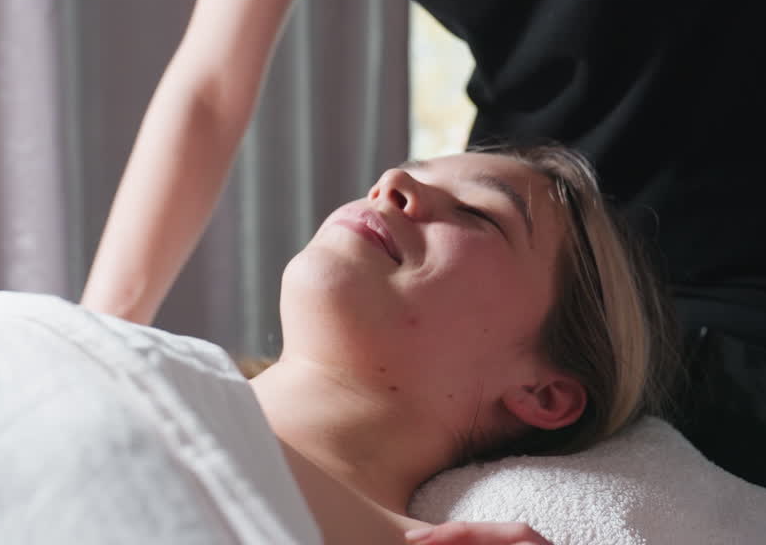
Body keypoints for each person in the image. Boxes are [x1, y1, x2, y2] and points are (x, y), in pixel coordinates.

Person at [81, 0, 766, 500]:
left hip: (753, 301)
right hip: (506, 250)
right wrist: (88, 349)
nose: (393, 182)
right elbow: (211, 88)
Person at [240, 144, 674, 543]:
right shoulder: (184, 379)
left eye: (475, 212)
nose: (392, 181)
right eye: (410, 170)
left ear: (542, 394)